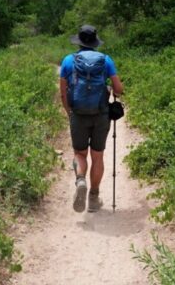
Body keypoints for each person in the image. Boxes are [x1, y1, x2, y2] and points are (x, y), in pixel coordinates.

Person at [59, 25, 124, 213]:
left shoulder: (68, 61)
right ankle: (94, 198)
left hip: (78, 114)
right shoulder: (106, 60)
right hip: (101, 114)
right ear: (95, 43)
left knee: (80, 154)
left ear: (79, 41)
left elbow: (63, 93)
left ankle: (80, 180)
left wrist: (68, 111)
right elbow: (118, 89)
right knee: (97, 156)